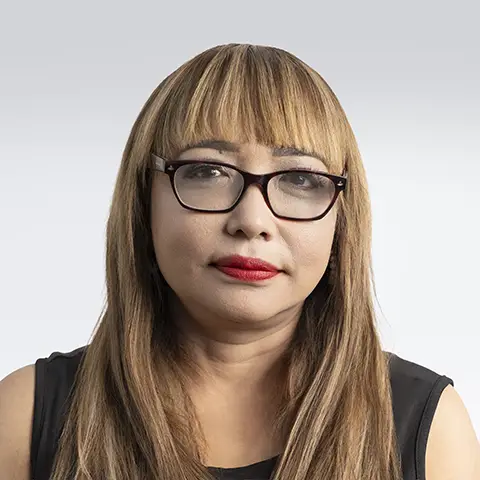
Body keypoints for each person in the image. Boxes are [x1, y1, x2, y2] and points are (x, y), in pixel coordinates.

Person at [0, 43, 479, 480]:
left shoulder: (431, 428)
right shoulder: (23, 416)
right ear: (143, 203)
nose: (252, 221)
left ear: (342, 220)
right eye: (208, 171)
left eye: (300, 179)